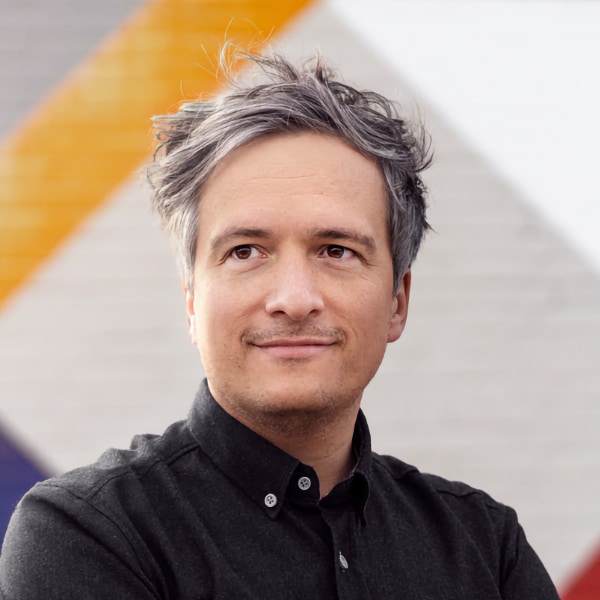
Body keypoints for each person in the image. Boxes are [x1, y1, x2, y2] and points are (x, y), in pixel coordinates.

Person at [0, 50, 559, 599]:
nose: (293, 300)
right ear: (193, 300)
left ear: (398, 301)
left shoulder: (486, 546)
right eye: (245, 252)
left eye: (336, 251)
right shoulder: (89, 534)